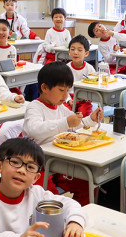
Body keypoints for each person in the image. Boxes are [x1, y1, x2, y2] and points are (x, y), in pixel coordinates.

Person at [23, 61, 103, 205]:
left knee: (87, 184)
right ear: (44, 88)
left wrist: (91, 119)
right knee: (49, 197)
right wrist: (65, 123)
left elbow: (76, 125)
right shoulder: (34, 107)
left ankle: (78, 213)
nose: (66, 96)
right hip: (37, 165)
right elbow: (34, 129)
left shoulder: (61, 107)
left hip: (59, 161)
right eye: (61, 90)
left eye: (67, 90)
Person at [66, 35, 95, 117]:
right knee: (65, 113)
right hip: (69, 97)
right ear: (69, 52)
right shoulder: (66, 68)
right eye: (72, 49)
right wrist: (68, 100)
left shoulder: (89, 68)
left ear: (86, 53)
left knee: (84, 114)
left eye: (79, 50)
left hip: (84, 99)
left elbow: (93, 87)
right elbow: (62, 88)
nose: (75, 52)